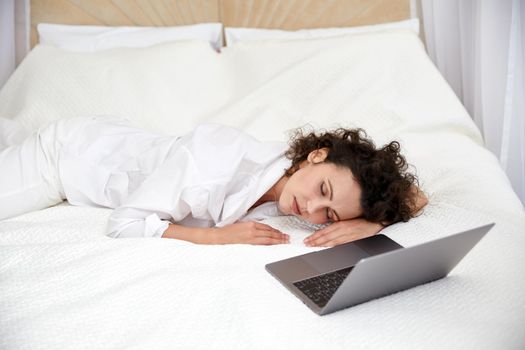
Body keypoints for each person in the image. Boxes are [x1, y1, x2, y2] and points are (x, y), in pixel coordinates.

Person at [0, 116, 427, 247]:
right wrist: (220, 237)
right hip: (65, 158)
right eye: (323, 192)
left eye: (329, 214)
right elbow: (125, 222)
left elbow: (416, 196)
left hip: (118, 145)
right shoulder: (215, 159)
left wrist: (374, 222)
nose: (311, 211)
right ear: (316, 156)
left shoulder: (287, 180)